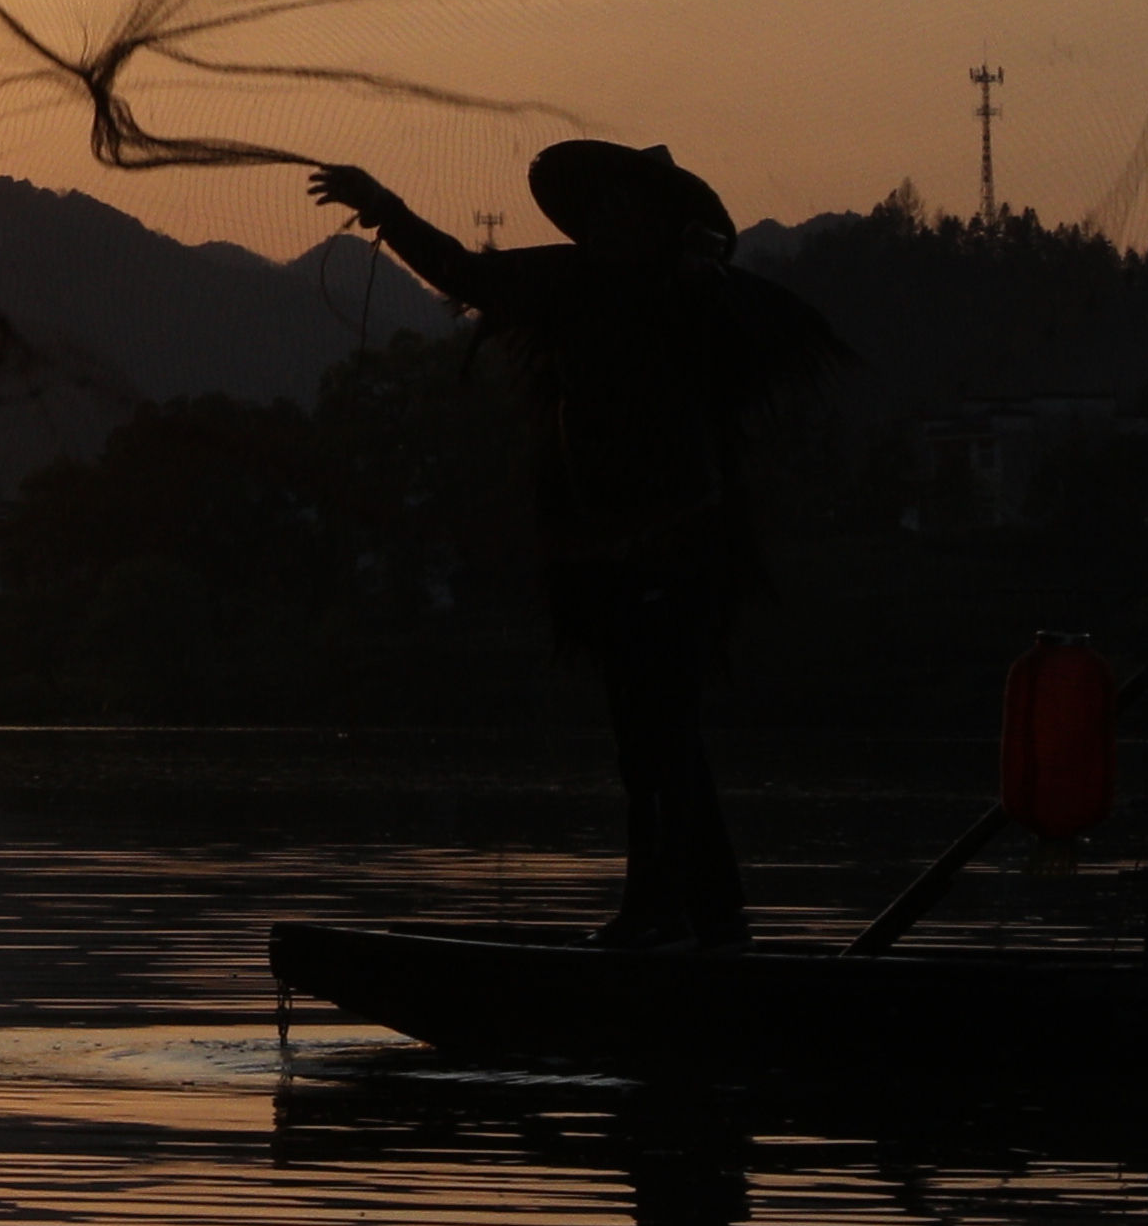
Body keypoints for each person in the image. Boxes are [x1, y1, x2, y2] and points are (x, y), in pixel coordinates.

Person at [305, 138, 840, 952]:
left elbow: (754, 326)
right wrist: (385, 208)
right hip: (605, 561)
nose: (611, 224)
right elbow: (461, 271)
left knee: (658, 734)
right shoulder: (563, 285)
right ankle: (704, 915)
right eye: (603, 210)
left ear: (668, 227)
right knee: (651, 738)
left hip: (685, 553)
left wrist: (704, 278)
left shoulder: (701, 299)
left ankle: (668, 914)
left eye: (632, 212)